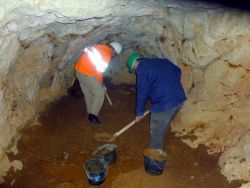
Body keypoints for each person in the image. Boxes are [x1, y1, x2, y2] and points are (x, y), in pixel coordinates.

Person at [127, 52, 187, 149]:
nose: (135, 71)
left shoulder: (142, 69)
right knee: (164, 123)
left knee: (155, 129)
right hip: (179, 98)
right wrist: (171, 85)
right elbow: (178, 71)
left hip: (165, 104)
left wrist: (139, 113)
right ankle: (161, 140)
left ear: (135, 63)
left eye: (133, 69)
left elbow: (142, 93)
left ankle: (155, 157)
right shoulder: (162, 61)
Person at [75, 42, 122, 124]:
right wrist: (101, 84)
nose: (114, 56)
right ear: (113, 49)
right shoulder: (106, 55)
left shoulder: (98, 46)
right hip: (88, 73)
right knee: (100, 93)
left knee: (88, 93)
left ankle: (90, 113)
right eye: (115, 54)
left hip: (79, 71)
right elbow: (99, 72)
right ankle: (93, 116)